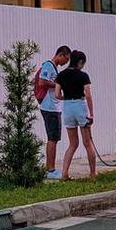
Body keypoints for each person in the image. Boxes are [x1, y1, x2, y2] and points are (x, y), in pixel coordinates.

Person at [54, 49, 96, 180]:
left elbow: (56, 95)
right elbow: (88, 95)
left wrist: (66, 99)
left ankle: (64, 173)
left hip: (67, 108)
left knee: (73, 144)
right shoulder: (83, 76)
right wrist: (91, 114)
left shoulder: (61, 75)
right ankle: (93, 173)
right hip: (80, 106)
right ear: (80, 62)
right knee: (87, 142)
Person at [37, 45, 71, 179]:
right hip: (49, 107)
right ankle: (50, 170)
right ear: (60, 55)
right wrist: (58, 85)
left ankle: (50, 168)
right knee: (52, 138)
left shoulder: (54, 68)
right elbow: (41, 82)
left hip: (54, 107)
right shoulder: (48, 66)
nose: (65, 63)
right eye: (66, 59)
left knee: (54, 138)